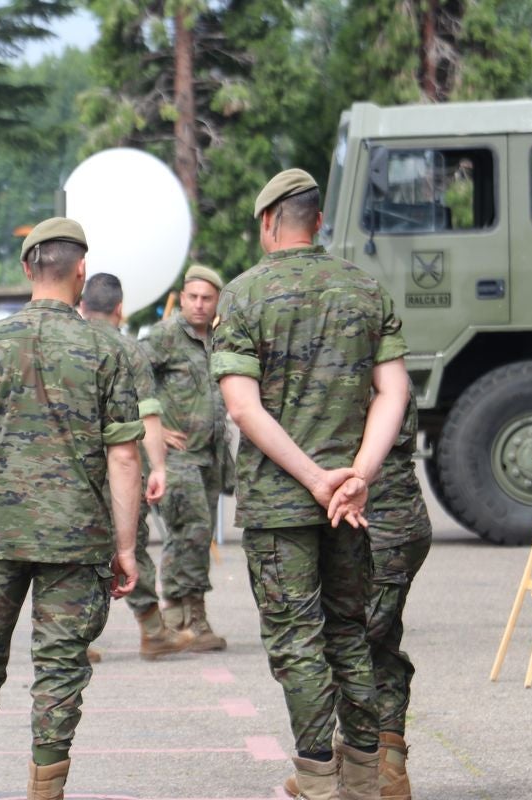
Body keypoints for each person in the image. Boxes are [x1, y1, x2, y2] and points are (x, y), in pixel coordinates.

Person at [210, 168, 410, 800]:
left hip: (281, 505)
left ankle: (317, 780)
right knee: (350, 632)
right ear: (318, 222)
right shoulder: (365, 289)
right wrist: (357, 478)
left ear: (269, 223)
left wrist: (315, 479)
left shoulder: (241, 295)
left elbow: (243, 408)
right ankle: (361, 780)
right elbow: (394, 391)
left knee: (297, 641)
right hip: (349, 506)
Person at [0, 217, 144, 800]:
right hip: (78, 542)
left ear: (27, 269)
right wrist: (127, 548)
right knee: (59, 673)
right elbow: (125, 458)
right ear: (81, 271)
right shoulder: (108, 349)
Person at [285, 390, 431, 800]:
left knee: (356, 646)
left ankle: (361, 764)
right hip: (378, 526)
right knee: (377, 648)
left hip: (383, 526)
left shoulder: (368, 364)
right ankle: (386, 766)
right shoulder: (374, 358)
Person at [78, 272, 193, 661]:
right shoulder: (129, 350)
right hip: (119, 467)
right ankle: (152, 630)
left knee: (74, 548)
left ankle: (71, 638)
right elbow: (148, 413)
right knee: (132, 545)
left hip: (69, 469)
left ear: (81, 306)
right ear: (120, 308)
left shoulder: (68, 342)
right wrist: (158, 466)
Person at [142, 264, 232, 651]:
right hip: (176, 457)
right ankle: (193, 614)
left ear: (217, 302)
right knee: (192, 529)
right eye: (192, 297)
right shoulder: (165, 336)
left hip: (210, 454)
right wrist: (153, 426)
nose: (198, 305)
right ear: (182, 298)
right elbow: (132, 378)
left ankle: (176, 614)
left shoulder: (222, 338)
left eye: (206, 298)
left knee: (194, 534)